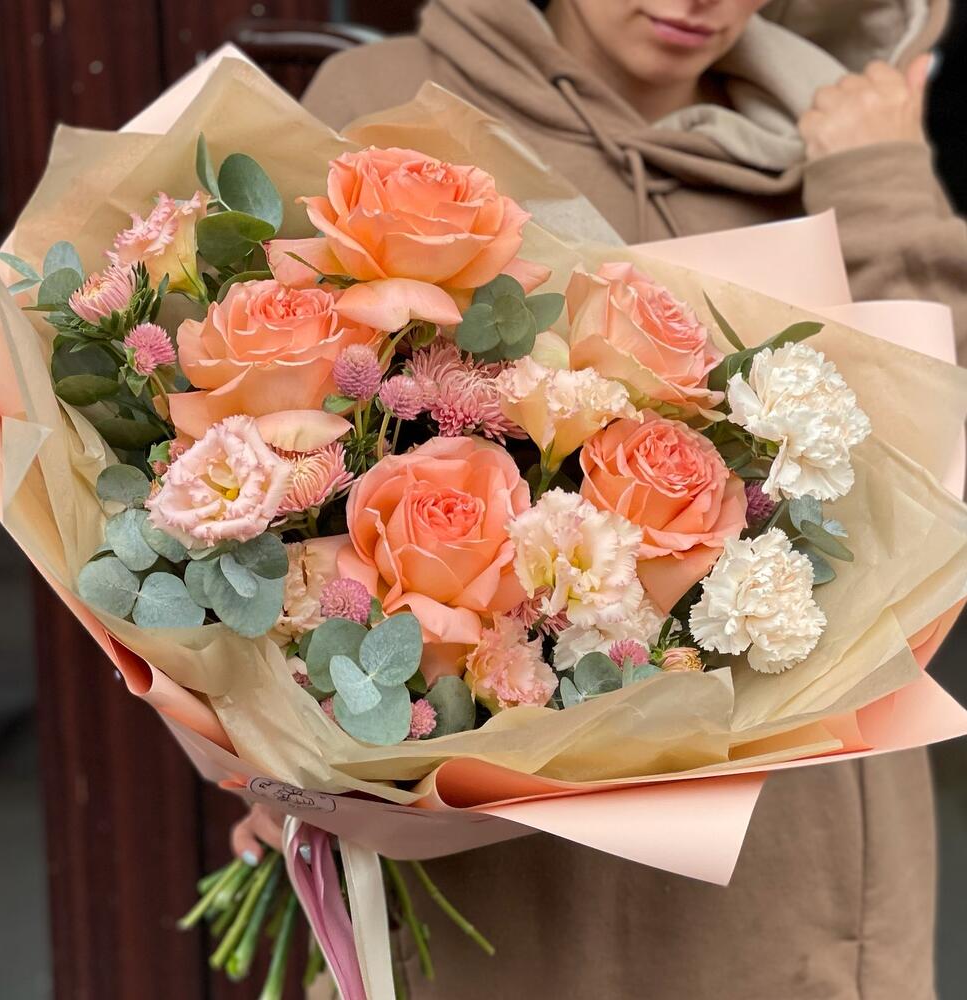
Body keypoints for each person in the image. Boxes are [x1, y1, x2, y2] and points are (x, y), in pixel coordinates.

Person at [288, 2, 964, 997]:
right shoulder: (396, 108)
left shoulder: (831, 136)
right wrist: (289, 755)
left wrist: (875, 182)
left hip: (796, 855)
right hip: (504, 867)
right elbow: (272, 473)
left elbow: (936, 468)